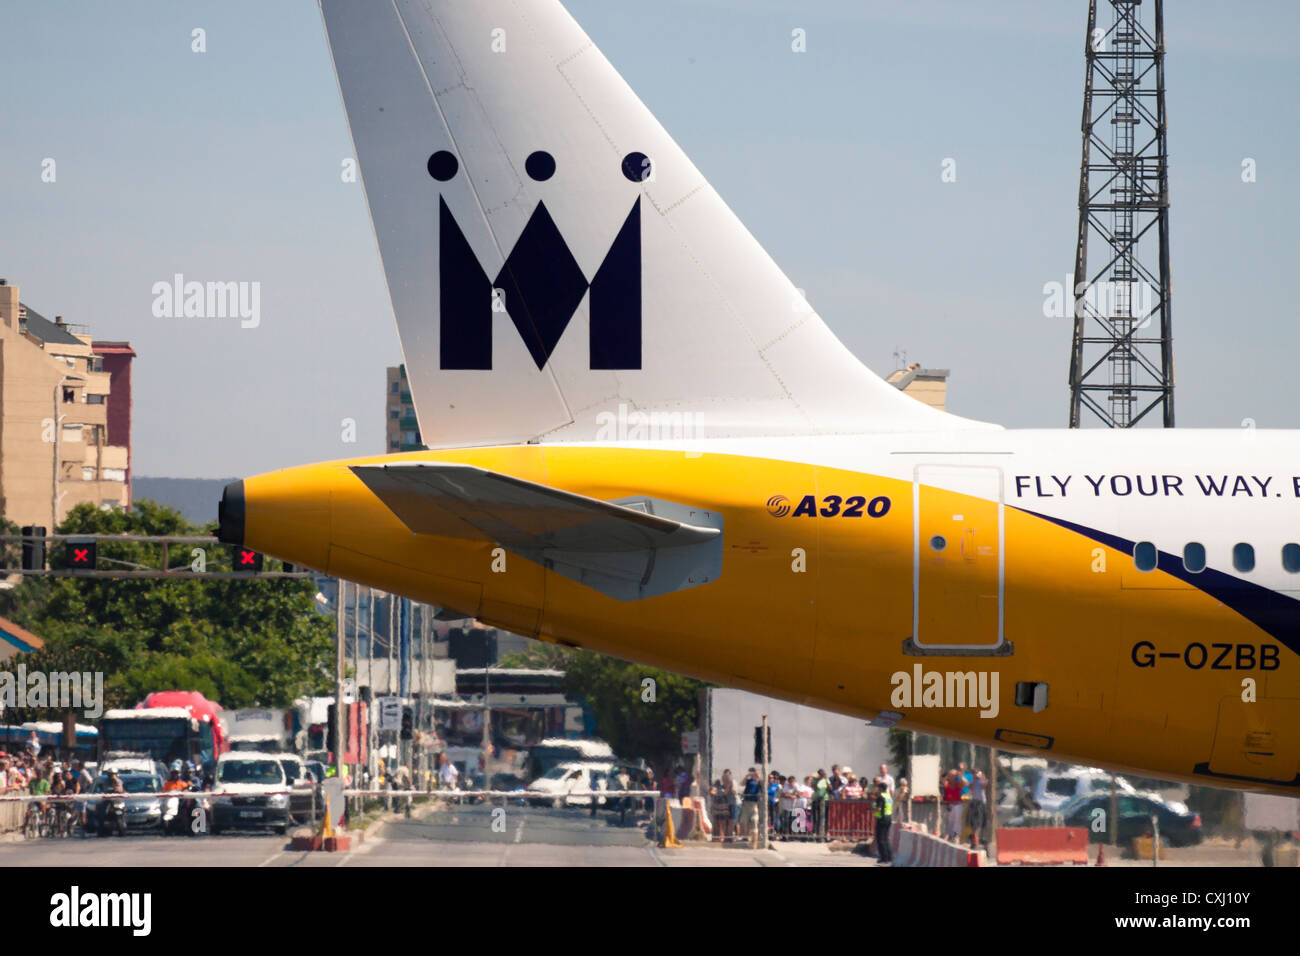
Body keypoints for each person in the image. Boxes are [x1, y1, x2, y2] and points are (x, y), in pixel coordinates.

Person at [873, 776, 894, 864]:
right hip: (889, 818)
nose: (877, 789)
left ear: (881, 788)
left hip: (882, 819)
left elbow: (878, 808)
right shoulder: (888, 796)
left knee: (880, 839)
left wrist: (872, 809)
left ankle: (883, 858)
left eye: (878, 788)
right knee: (886, 838)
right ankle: (889, 857)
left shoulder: (880, 797)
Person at [739, 767, 761, 845]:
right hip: (746, 802)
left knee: (754, 820)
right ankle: (745, 836)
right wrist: (747, 776)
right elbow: (741, 784)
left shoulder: (758, 781)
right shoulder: (748, 780)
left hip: (754, 803)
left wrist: (758, 775)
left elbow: (763, 783)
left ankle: (754, 838)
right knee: (744, 820)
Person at [967, 768, 988, 849]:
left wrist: (981, 778)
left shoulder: (982, 780)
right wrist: (973, 779)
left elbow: (984, 786)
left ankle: (981, 838)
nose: (975, 774)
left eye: (977, 773)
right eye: (974, 773)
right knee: (973, 822)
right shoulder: (972, 781)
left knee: (981, 822)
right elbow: (970, 788)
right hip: (974, 802)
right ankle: (974, 840)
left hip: (981, 802)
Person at [941, 769, 964, 841]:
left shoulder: (958, 784)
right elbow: (942, 780)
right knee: (950, 821)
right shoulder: (947, 784)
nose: (952, 777)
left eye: (954, 776)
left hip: (957, 804)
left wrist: (960, 776)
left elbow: (965, 783)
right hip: (950, 805)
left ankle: (956, 835)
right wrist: (947, 775)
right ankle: (948, 835)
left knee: (957, 819)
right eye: (951, 775)